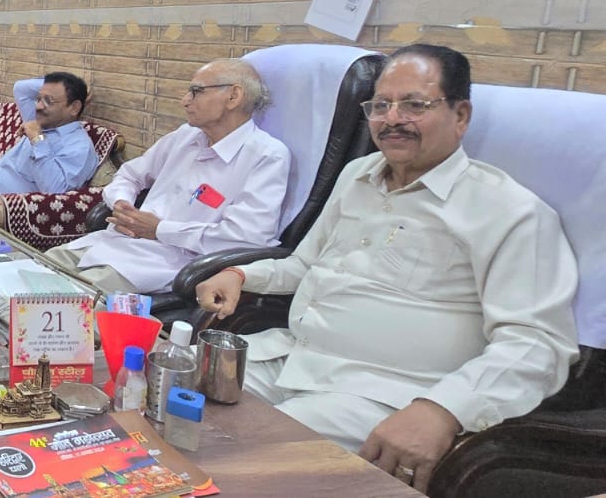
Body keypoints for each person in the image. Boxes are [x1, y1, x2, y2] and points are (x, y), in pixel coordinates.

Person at [194, 44, 579, 492]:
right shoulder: (358, 175)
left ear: (461, 115)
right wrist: (242, 275)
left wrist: (444, 409)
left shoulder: (508, 211)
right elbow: (304, 264)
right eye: (380, 105)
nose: (392, 119)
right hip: (288, 358)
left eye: (414, 105)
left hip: (378, 394)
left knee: (235, 469)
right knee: (158, 404)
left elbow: (537, 344)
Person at [44, 59, 291, 294]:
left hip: (162, 263)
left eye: (196, 91)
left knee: (61, 300)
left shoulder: (266, 155)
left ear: (233, 96)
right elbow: (129, 174)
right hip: (113, 241)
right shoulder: (185, 136)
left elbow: (246, 238)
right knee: (34, 268)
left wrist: (159, 229)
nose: (185, 101)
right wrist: (122, 204)